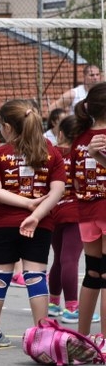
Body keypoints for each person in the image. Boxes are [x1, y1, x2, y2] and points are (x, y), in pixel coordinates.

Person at [0, 100, 65, 349]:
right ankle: (42, 334)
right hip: (40, 224)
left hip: (4, 224)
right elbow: (57, 191)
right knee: (36, 277)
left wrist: (25, 204)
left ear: (7, 127)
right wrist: (36, 213)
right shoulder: (51, 152)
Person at [68, 82, 106, 339]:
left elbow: (74, 180)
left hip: (86, 210)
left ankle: (82, 338)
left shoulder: (80, 138)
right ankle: (104, 340)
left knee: (93, 273)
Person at [48, 115, 91, 323]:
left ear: (60, 133)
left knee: (59, 258)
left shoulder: (50, 153)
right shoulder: (81, 155)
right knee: (70, 259)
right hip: (75, 212)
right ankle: (72, 308)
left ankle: (53, 303)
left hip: (53, 211)